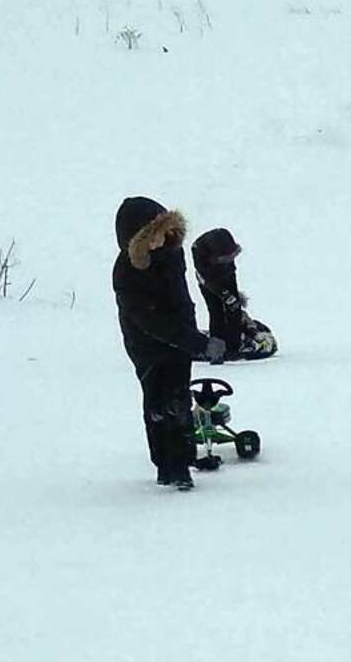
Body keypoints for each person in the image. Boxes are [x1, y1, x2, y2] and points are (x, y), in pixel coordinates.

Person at [112, 196, 225, 490]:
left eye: (162, 232)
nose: (159, 240)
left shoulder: (173, 253)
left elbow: (180, 297)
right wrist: (196, 342)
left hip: (181, 337)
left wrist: (193, 335)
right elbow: (150, 321)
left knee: (179, 398)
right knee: (158, 402)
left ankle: (184, 461)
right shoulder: (126, 272)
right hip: (146, 344)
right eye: (151, 236)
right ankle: (166, 466)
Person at [191, 227, 277, 361]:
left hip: (225, 275)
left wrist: (233, 296)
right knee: (216, 311)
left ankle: (233, 346)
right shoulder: (199, 251)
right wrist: (224, 294)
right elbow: (207, 278)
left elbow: (231, 270)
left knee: (234, 309)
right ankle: (217, 347)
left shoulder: (224, 247)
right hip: (208, 281)